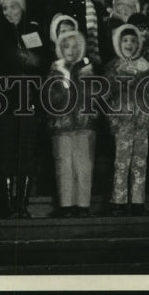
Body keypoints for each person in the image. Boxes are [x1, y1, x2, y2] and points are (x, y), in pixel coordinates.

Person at [0, 0, 45, 218]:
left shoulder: (32, 30)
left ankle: (22, 203)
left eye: (13, 6)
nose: (9, 11)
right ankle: (7, 204)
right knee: (6, 153)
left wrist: (32, 59)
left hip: (28, 101)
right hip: (6, 103)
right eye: (5, 7)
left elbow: (40, 61)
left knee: (26, 154)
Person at [43, 28, 96, 218]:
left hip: (83, 124)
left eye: (75, 46)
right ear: (60, 49)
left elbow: (94, 97)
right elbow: (51, 98)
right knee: (64, 165)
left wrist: (85, 80)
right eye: (67, 46)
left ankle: (83, 205)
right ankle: (66, 205)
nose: (71, 50)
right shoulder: (55, 71)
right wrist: (64, 80)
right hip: (62, 125)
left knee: (83, 165)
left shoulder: (87, 71)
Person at [104, 23, 149, 216]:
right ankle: (119, 201)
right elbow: (106, 92)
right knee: (121, 161)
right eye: (125, 40)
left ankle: (138, 201)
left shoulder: (145, 65)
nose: (129, 44)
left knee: (140, 161)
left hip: (141, 120)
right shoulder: (114, 66)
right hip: (122, 120)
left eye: (133, 40)